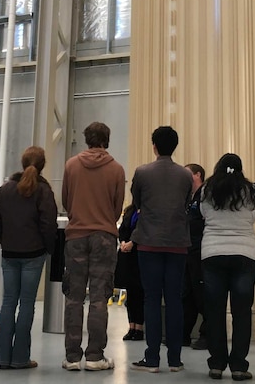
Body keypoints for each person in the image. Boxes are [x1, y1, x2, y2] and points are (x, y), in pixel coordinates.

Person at [61, 121, 126, 371]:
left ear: (87, 139)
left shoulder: (71, 165)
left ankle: (72, 356)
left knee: (74, 298)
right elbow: (118, 206)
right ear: (106, 140)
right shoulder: (117, 169)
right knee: (99, 298)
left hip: (76, 236)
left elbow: (66, 200)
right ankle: (95, 356)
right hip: (104, 236)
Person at [130, 126, 194, 373]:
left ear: (154, 145)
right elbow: (187, 202)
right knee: (175, 300)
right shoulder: (186, 175)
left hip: (148, 242)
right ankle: (176, 360)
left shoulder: (142, 172)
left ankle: (152, 358)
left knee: (152, 299)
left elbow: (137, 201)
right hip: (178, 243)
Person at [0, 146, 59, 369]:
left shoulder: (4, 190)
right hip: (34, 254)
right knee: (27, 304)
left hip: (9, 253)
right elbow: (49, 224)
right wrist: (48, 248)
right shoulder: (44, 191)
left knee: (9, 302)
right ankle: (21, 358)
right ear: (42, 165)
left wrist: (5, 241)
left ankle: (3, 357)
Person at [200, 154, 255, 381]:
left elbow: (204, 214)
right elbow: (252, 217)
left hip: (213, 253)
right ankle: (239, 366)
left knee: (214, 312)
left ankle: (216, 365)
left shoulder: (207, 189)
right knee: (242, 313)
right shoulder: (250, 190)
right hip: (244, 253)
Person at [183, 163, 207, 350]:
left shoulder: (204, 196)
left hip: (200, 249)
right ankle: (183, 333)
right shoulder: (189, 198)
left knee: (202, 294)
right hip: (188, 249)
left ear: (197, 175)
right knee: (187, 294)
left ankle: (206, 334)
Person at [115, 203, 144, 341]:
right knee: (130, 293)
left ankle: (139, 327)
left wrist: (132, 243)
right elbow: (122, 231)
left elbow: (143, 230)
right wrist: (123, 242)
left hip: (139, 254)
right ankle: (131, 326)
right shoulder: (129, 211)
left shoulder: (147, 211)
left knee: (140, 293)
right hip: (127, 256)